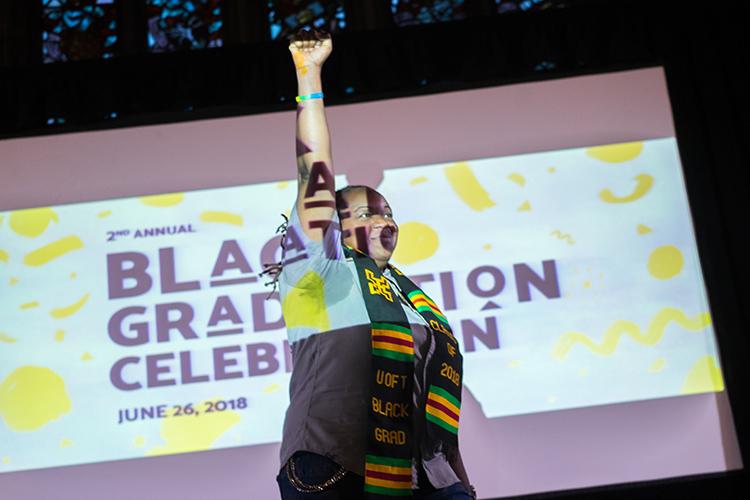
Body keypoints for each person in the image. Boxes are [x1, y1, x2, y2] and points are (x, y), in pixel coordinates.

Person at [273, 28, 475, 500]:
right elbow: (314, 172)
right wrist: (310, 75)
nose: (384, 220)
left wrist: (460, 482)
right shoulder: (317, 276)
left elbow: (434, 409)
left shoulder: (411, 300)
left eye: (388, 211)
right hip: (335, 472)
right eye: (366, 213)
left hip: (428, 480)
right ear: (332, 229)